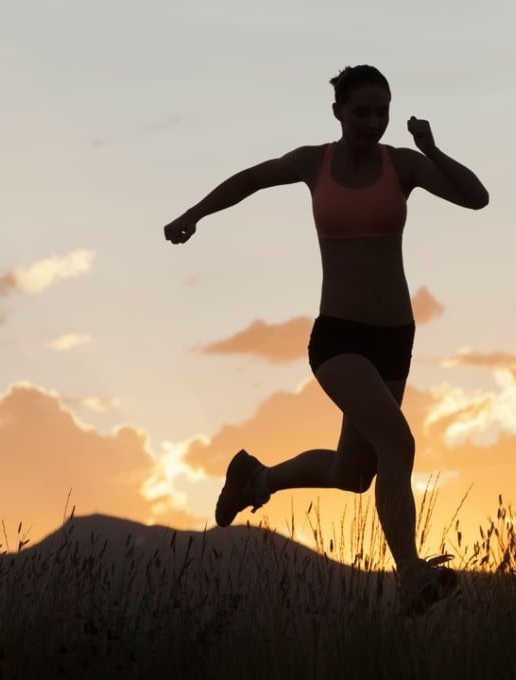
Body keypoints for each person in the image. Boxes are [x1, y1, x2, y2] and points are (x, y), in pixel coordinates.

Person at [163, 65, 489, 614]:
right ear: (338, 111)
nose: (372, 122)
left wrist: (431, 148)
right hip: (338, 338)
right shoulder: (316, 163)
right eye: (361, 111)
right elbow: (251, 179)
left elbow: (476, 198)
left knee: (354, 473)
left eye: (381, 112)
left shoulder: (403, 166)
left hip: (394, 337)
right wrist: (195, 214)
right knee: (398, 445)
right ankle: (409, 574)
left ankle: (255, 479)